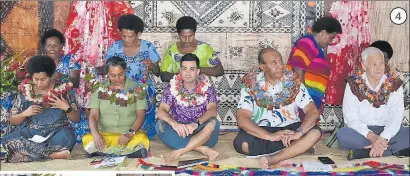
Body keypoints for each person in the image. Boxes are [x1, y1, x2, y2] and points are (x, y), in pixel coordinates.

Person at [234, 48, 322, 169]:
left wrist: (299, 133)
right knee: (241, 144)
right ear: (262, 67)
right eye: (274, 62)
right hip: (262, 131)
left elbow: (313, 112)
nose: (280, 66)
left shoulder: (294, 83)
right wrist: (271, 136)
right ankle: (296, 148)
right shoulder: (250, 84)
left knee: (315, 133)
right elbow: (242, 119)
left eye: (281, 61)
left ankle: (273, 158)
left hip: (291, 129)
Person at [1, 55, 80, 162]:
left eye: (43, 79)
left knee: (67, 137)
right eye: (36, 79)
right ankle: (51, 155)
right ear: (31, 77)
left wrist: (66, 107)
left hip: (57, 132)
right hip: (33, 133)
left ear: (51, 76)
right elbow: (13, 120)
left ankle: (28, 154)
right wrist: (25, 113)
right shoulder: (26, 90)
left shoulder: (64, 90)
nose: (39, 83)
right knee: (8, 139)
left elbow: (77, 118)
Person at [336, 47, 409, 160]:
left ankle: (367, 151)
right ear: (364, 66)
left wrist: (384, 138)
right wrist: (372, 137)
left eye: (381, 63)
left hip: (387, 130)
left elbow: (396, 115)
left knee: (407, 134)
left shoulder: (394, 84)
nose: (379, 68)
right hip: (363, 132)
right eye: (374, 65)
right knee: (343, 135)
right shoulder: (353, 84)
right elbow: (350, 117)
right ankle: (391, 150)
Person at [104, 14, 161, 139]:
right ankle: (123, 134)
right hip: (121, 87)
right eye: (123, 36)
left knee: (145, 107)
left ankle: (144, 135)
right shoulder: (115, 47)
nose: (127, 40)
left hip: (144, 89)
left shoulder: (147, 47)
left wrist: (151, 66)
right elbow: (107, 69)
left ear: (138, 34)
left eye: (131, 36)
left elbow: (158, 72)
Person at [156, 53, 220, 164]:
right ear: (180, 70)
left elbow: (213, 110)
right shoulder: (171, 88)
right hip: (179, 130)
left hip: (201, 128)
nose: (188, 73)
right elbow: (161, 112)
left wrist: (196, 124)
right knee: (160, 125)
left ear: (198, 71)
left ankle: (180, 151)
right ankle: (201, 148)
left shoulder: (207, 88)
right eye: (184, 69)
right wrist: (174, 124)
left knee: (213, 124)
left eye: (192, 69)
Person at [82, 56, 149, 158]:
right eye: (112, 76)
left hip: (129, 134)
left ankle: (104, 152)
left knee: (143, 139)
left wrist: (129, 134)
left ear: (125, 71)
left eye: (120, 75)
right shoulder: (99, 88)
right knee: (88, 139)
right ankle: (126, 152)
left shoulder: (137, 88)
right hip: (105, 134)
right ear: (107, 74)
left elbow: (141, 115)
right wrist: (96, 135)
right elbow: (93, 116)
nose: (117, 79)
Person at [41, 28, 89, 143]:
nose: (52, 48)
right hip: (47, 101)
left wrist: (61, 76)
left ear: (62, 46)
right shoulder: (41, 62)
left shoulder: (70, 60)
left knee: (80, 131)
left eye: (55, 45)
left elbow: (76, 82)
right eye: (49, 45)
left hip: (68, 99)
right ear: (44, 47)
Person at [286, 16, 342, 116]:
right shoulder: (307, 42)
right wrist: (304, 98)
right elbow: (298, 69)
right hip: (304, 101)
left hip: (311, 99)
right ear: (323, 33)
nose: (331, 41)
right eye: (331, 38)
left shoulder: (316, 46)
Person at [160, 16, 224, 82]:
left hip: (201, 90)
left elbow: (219, 70)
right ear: (178, 34)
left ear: (195, 33)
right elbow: (163, 75)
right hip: (178, 90)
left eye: (190, 36)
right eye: (183, 36)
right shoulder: (171, 51)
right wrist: (183, 75)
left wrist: (198, 70)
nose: (187, 40)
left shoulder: (204, 48)